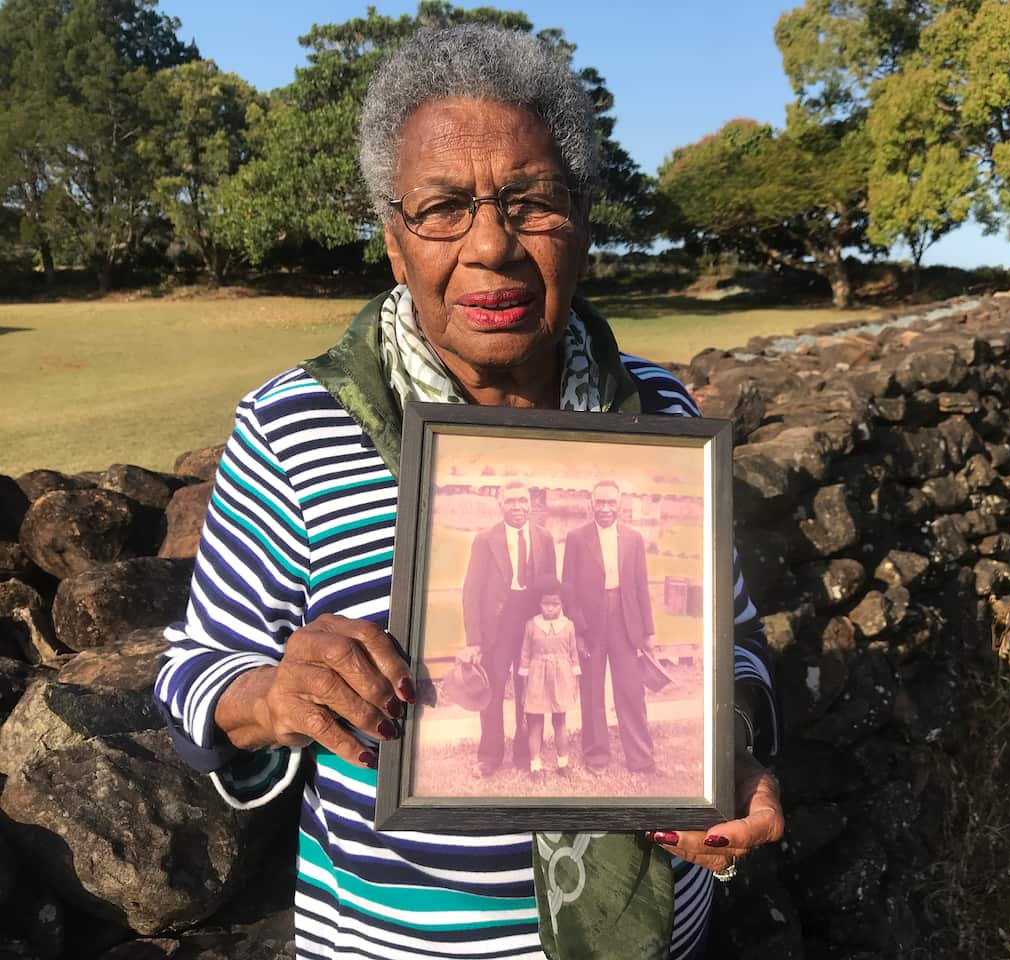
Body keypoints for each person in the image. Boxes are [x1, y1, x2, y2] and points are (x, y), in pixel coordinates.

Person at [154, 23, 782, 960]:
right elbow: (194, 673)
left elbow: (731, 646)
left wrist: (728, 751)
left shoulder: (656, 409)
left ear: (582, 220)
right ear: (395, 244)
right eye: (444, 208)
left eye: (532, 204)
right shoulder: (295, 425)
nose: (492, 245)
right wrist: (279, 691)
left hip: (657, 939)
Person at [461, 480, 555, 776]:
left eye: (523, 500)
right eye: (511, 501)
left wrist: (552, 627)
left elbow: (551, 588)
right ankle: (489, 756)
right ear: (500, 504)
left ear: (531, 503)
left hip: (530, 625)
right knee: (493, 692)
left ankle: (526, 753)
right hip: (497, 629)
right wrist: (474, 640)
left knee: (529, 691)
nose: (518, 506)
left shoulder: (544, 537)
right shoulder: (485, 539)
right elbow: (471, 591)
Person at [562, 480, 657, 773]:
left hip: (625, 622)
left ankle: (641, 759)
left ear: (620, 503)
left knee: (630, 690)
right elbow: (569, 588)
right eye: (599, 502)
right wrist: (577, 631)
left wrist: (648, 633)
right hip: (590, 624)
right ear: (591, 503)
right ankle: (596, 756)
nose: (605, 508)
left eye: (610, 502)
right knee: (591, 691)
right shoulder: (576, 538)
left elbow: (641, 586)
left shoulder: (634, 538)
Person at [518, 578, 580, 780]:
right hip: (537, 677)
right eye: (546, 603)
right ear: (539, 603)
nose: (551, 608)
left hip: (561, 677)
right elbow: (525, 655)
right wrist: (524, 684)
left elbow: (573, 655)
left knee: (560, 720)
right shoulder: (531, 625)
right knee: (535, 722)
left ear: (562, 604)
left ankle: (563, 763)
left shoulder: (568, 626)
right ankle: (535, 765)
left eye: (555, 604)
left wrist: (574, 681)